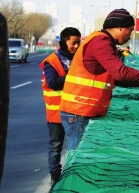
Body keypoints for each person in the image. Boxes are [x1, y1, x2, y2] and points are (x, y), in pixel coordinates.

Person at [59, 9, 139, 151]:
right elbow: (120, 73)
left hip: (83, 110)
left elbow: (115, 78)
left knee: (83, 156)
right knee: (77, 158)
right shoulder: (101, 41)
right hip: (78, 111)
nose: (130, 36)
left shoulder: (103, 41)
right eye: (130, 30)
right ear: (120, 27)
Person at [39, 27, 81, 187]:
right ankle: (55, 177)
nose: (76, 46)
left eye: (78, 43)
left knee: (76, 146)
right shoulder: (52, 61)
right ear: (63, 42)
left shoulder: (80, 59)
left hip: (76, 111)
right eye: (73, 43)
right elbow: (52, 82)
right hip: (56, 112)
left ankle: (74, 176)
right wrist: (73, 76)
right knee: (56, 146)